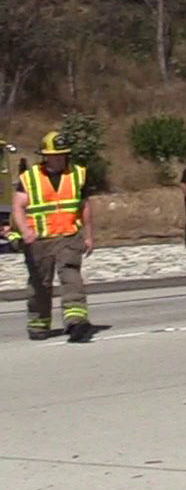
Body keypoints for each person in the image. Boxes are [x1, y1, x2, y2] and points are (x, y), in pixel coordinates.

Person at [11, 131, 97, 342]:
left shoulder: (78, 174)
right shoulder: (30, 178)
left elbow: (84, 206)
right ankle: (38, 324)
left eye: (63, 154)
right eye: (55, 155)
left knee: (71, 276)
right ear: (45, 156)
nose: (60, 158)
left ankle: (76, 323)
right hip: (40, 240)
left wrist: (88, 236)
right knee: (40, 283)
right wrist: (25, 231)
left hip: (69, 236)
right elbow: (17, 207)